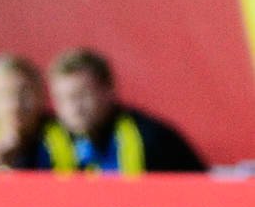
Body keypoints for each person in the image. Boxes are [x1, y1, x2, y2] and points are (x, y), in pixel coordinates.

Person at [45, 48, 206, 172]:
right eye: (62, 98)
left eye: (82, 95)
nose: (74, 108)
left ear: (109, 91)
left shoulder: (151, 139)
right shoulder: (47, 142)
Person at [0, 52, 53, 170]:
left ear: (42, 94)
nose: (15, 105)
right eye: (3, 96)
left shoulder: (67, 137)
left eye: (24, 93)